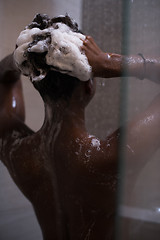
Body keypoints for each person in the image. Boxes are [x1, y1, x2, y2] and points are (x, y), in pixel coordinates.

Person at [0, 14, 160, 240]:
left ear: (38, 84)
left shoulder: (20, 155)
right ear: (89, 86)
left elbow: (4, 80)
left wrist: (21, 57)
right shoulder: (110, 158)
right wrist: (109, 62)